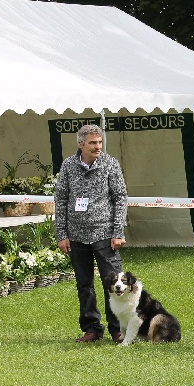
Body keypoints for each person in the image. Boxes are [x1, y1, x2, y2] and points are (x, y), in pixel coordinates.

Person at [54, 124, 129, 343]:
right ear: (80, 144)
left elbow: (120, 198)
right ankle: (92, 328)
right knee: (84, 284)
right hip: (76, 235)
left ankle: (118, 329)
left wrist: (117, 231)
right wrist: (62, 234)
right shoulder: (68, 166)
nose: (98, 146)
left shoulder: (110, 164)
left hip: (105, 234)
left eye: (99, 142)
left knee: (115, 284)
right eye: (93, 143)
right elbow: (61, 200)